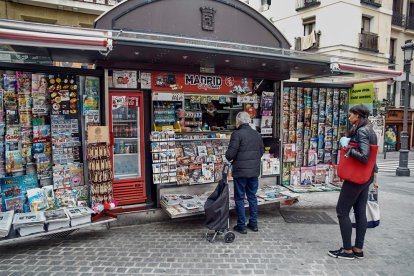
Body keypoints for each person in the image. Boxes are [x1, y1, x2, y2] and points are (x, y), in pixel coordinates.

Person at [328, 104, 378, 260]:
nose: (349, 118)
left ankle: (347, 250)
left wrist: (347, 147)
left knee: (342, 211)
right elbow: (372, 158)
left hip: (356, 177)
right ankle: (358, 249)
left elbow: (364, 156)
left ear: (358, 115)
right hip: (365, 177)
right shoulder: (371, 130)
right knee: (359, 211)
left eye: (351, 115)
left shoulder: (362, 131)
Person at [225, 112, 264, 234]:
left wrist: (231, 158)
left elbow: (230, 155)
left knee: (240, 198)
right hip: (253, 171)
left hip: (240, 172)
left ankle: (241, 225)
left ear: (238, 121)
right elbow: (261, 151)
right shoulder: (256, 134)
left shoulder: (237, 134)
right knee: (252, 197)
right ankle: (253, 224)